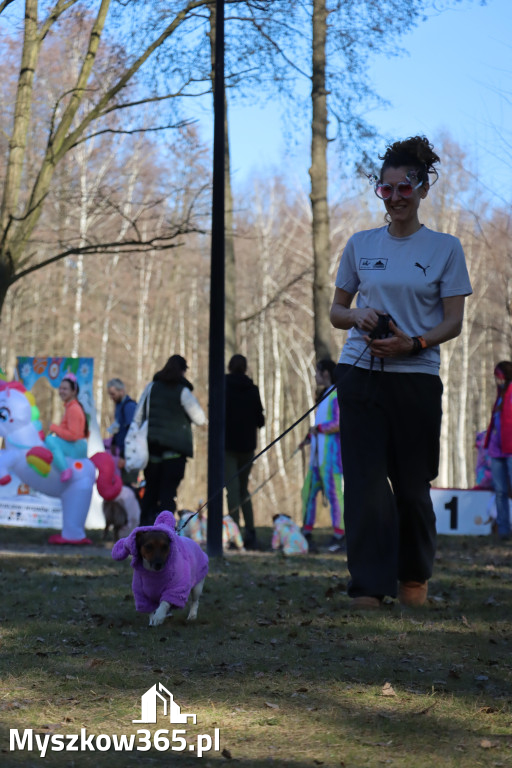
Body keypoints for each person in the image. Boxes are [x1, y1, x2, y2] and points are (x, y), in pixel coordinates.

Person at [329, 136, 472, 609]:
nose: (395, 199)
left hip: (416, 377)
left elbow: (452, 321)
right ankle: (368, 585)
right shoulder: (360, 244)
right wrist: (358, 317)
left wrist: (414, 342)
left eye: (404, 189)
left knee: (411, 487)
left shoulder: (445, 248)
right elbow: (336, 311)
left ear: (423, 188)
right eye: (385, 190)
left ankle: (413, 580)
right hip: (359, 373)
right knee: (366, 485)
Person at [138, 355, 206, 526]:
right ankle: (166, 531)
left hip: (152, 451)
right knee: (168, 493)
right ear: (183, 371)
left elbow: (138, 416)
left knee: (150, 491)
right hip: (174, 454)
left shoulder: (151, 387)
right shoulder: (182, 391)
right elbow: (200, 418)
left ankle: (144, 529)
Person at [301, 359, 345, 553]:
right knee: (308, 494)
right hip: (317, 459)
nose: (315, 377)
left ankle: (340, 535)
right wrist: (309, 438)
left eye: (317, 372)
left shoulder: (336, 394)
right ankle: (306, 532)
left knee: (335, 497)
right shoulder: (324, 395)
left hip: (331, 459)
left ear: (326, 373)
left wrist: (318, 429)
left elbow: (338, 423)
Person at [224, 354, 265, 550]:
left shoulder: (222, 386)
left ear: (230, 367)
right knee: (243, 490)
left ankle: (234, 533)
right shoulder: (253, 389)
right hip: (248, 447)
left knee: (231, 490)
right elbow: (261, 420)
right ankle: (251, 532)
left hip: (228, 447)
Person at [484, 361, 512, 541]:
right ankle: (504, 531)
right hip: (497, 450)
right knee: (500, 491)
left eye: (499, 376)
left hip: (510, 450)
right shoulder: (500, 395)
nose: (497, 380)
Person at [45, 373, 89, 482]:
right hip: (76, 446)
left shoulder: (73, 408)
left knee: (50, 440)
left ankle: (65, 469)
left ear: (74, 391)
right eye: (60, 388)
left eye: (65, 389)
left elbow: (73, 435)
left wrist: (54, 428)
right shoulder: (71, 407)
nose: (61, 391)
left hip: (76, 447)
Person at [107, 377, 138, 485]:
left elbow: (132, 433)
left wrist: (124, 456)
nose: (111, 397)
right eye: (110, 394)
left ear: (122, 391)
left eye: (113, 394)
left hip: (129, 455)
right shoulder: (118, 407)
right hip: (120, 452)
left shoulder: (130, 407)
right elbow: (119, 428)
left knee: (127, 486)